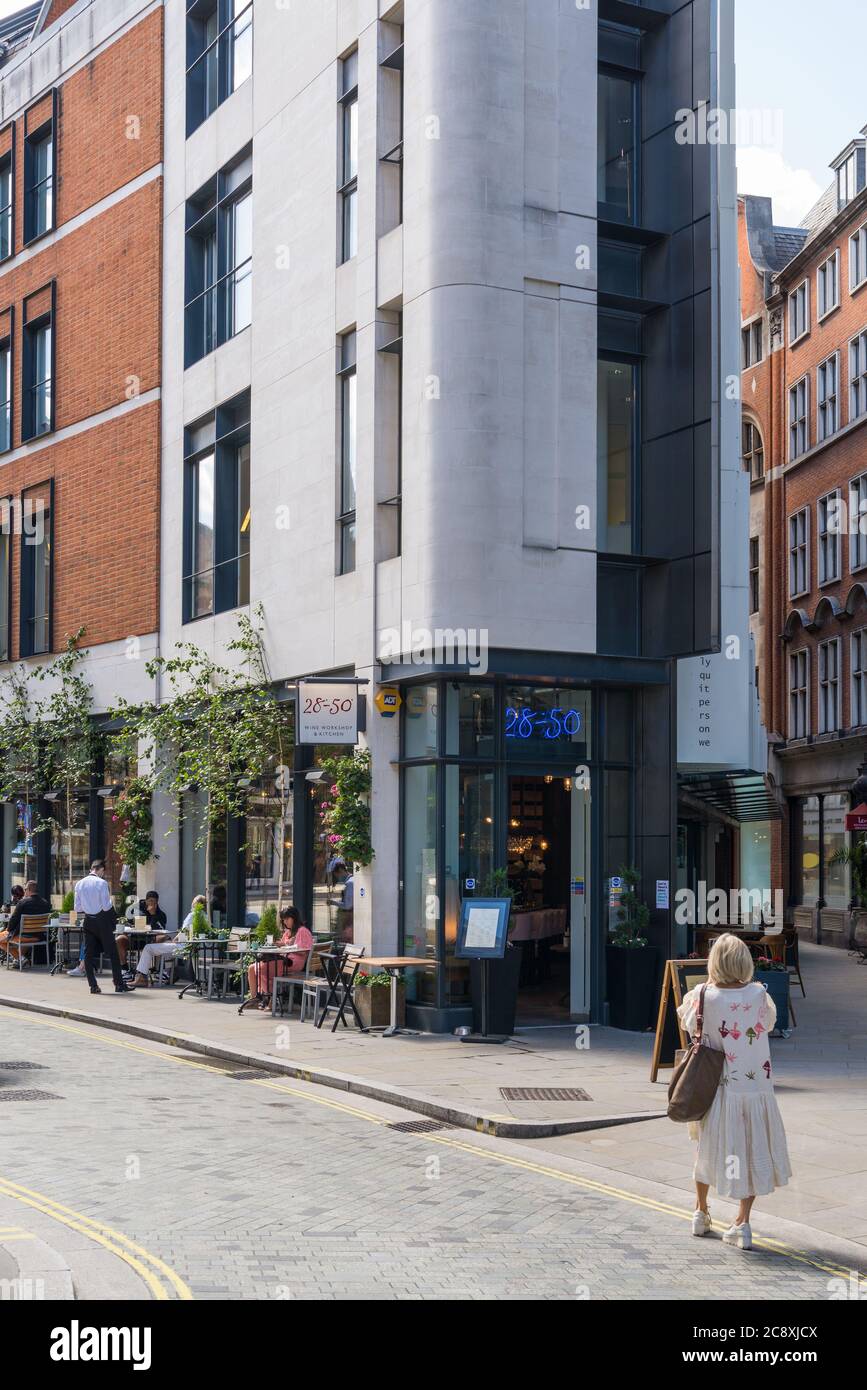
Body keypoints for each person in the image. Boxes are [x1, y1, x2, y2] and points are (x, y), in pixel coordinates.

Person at [677, 932, 791, 1251]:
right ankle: (742, 1223)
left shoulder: (701, 994)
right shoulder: (758, 994)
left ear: (715, 962)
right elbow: (768, 1023)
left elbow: (687, 1025)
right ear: (744, 961)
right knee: (750, 1152)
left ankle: (700, 1213)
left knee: (706, 1149)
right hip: (753, 1088)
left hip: (713, 1088)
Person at [74, 859, 128, 995]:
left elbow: (77, 908)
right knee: (113, 953)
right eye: (103, 872)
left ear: (92, 868)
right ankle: (119, 984)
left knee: (88, 954)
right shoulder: (102, 883)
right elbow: (106, 906)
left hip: (88, 920)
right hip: (101, 920)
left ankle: (93, 986)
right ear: (101, 870)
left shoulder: (79, 884)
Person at [128, 895, 204, 988]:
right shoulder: (205, 916)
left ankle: (142, 978)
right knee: (165, 944)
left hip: (183, 947)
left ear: (195, 904)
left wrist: (175, 940)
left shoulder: (192, 915)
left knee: (148, 948)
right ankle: (167, 975)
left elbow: (184, 931)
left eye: (193, 902)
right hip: (194, 948)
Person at [246, 906, 313, 1012]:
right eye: (283, 920)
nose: (285, 922)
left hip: (293, 962)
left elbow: (305, 951)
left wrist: (287, 945)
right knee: (251, 968)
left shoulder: (302, 931)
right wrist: (280, 944)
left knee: (263, 968)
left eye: (287, 919)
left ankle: (271, 999)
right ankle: (255, 999)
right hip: (282, 960)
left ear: (294, 918)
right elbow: (284, 946)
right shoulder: (288, 932)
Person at [115, 891, 168, 975]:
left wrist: (153, 915)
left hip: (149, 941)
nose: (152, 904)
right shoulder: (135, 909)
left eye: (155, 902)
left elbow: (161, 930)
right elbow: (127, 922)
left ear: (157, 902)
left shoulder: (161, 915)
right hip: (133, 939)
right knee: (120, 939)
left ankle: (159, 970)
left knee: (162, 938)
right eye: (150, 901)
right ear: (146, 901)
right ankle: (124, 968)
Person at [0, 880, 50, 963]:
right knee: (18, 936)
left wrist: (8, 930)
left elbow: (13, 920)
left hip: (24, 936)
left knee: (2, 938)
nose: (24, 891)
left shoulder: (22, 902)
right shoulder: (45, 903)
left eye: (25, 889)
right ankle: (18, 960)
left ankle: (20, 959)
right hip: (39, 937)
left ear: (29, 890)